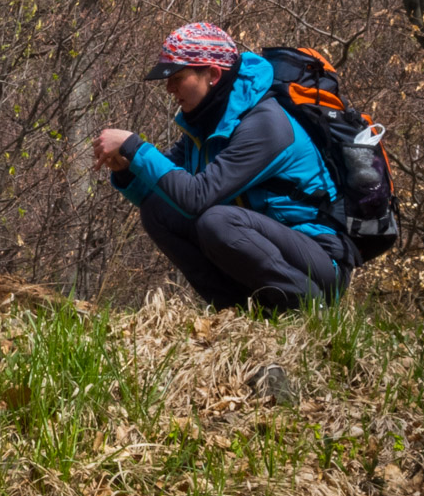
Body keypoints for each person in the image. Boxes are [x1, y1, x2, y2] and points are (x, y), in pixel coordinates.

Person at [94, 22, 351, 311]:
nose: (169, 88)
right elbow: (162, 193)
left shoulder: (265, 125)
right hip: (265, 247)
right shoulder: (206, 127)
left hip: (317, 259)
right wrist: (126, 169)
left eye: (177, 77)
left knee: (215, 220)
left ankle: (309, 308)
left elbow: (196, 197)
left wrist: (135, 146)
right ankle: (236, 311)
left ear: (213, 74)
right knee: (157, 210)